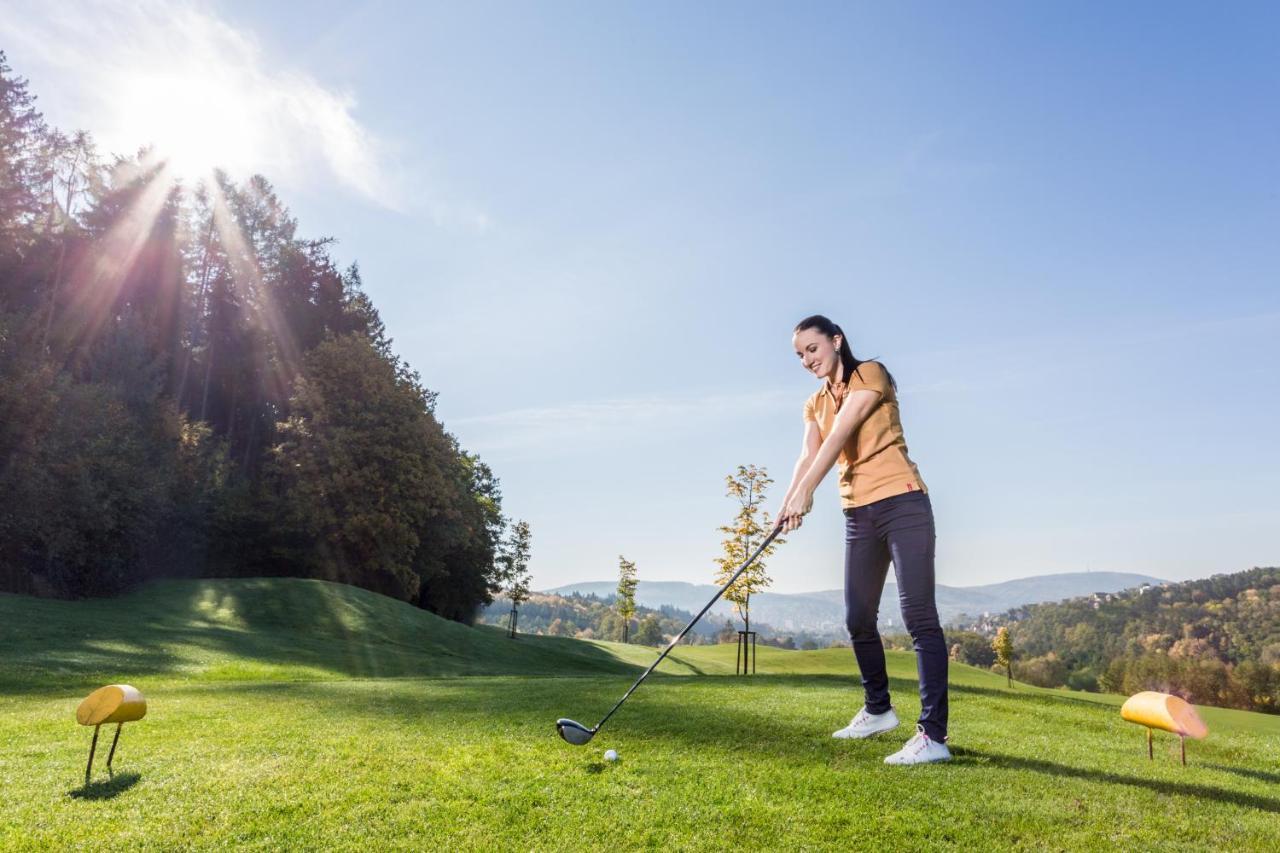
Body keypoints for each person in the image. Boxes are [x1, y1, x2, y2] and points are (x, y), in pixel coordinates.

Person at [776, 315, 950, 765]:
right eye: (799, 354)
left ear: (836, 341)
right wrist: (788, 499)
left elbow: (840, 436)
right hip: (858, 512)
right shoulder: (814, 403)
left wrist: (808, 492)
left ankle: (933, 736)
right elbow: (808, 455)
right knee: (857, 616)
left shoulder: (868, 374)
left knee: (919, 617)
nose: (806, 360)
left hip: (903, 504)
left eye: (812, 349)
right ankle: (878, 710)